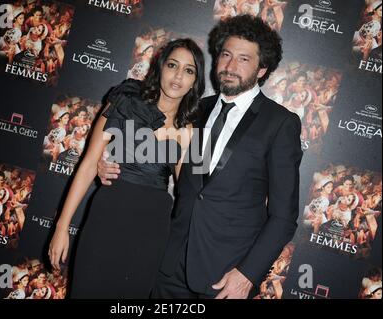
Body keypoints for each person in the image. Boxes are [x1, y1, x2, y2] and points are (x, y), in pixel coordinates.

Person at [99, 14, 302, 299]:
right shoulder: (196, 108)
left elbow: (283, 217)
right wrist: (108, 159)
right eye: (226, 54)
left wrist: (246, 275)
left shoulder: (279, 123)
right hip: (167, 266)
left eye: (244, 59)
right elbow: (156, 151)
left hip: (225, 278)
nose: (230, 66)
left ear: (262, 69)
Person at [48, 38, 205, 298]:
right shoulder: (126, 99)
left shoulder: (193, 129)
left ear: (195, 80)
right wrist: (62, 227)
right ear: (160, 68)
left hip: (151, 232)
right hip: (108, 216)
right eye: (173, 65)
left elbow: (193, 195)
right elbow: (88, 164)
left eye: (189, 70)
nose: (178, 76)